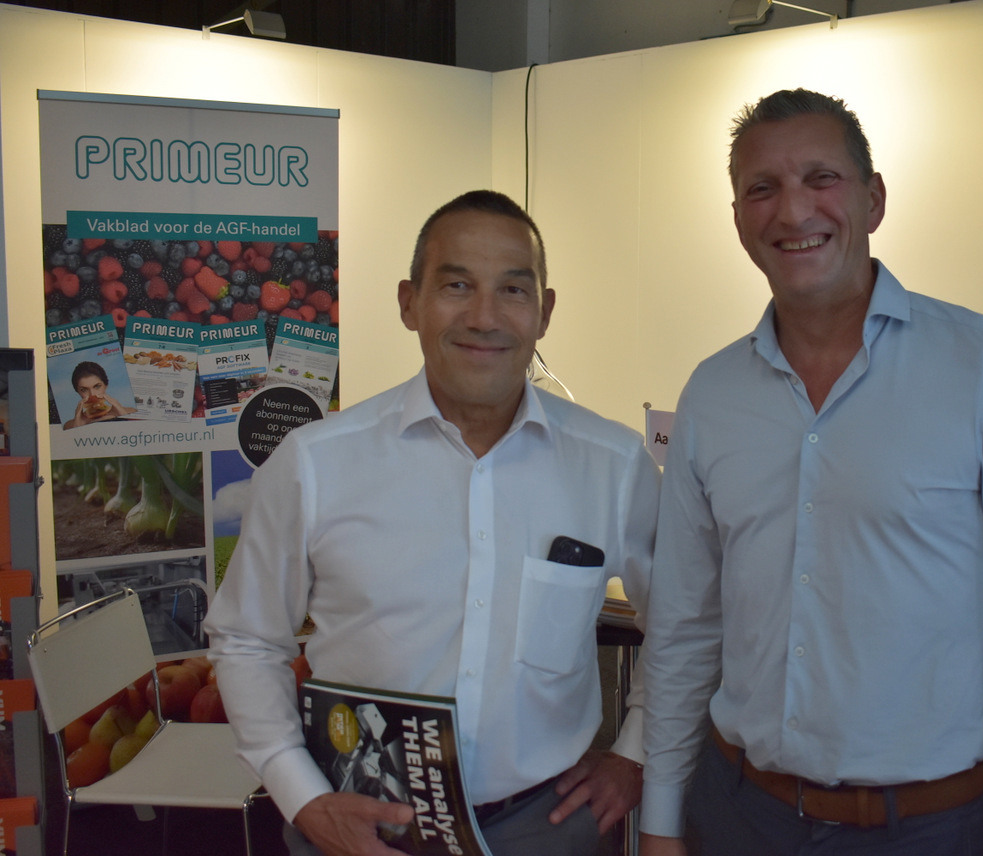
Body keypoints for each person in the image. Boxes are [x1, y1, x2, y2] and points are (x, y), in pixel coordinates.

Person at [638, 89, 983, 856]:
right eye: (762, 188)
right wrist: (660, 814)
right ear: (738, 220)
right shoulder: (713, 393)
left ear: (874, 199)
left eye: (820, 178)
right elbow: (685, 625)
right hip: (737, 813)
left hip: (922, 829)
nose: (793, 210)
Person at [206, 189, 659, 856]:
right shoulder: (314, 463)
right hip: (359, 824)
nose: (484, 316)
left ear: (544, 311)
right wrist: (302, 798)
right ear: (408, 302)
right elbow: (247, 639)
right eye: (456, 285)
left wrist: (635, 754)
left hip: (546, 823)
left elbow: (683, 625)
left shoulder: (613, 465)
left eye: (512, 289)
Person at [61, 360, 136, 429]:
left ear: (105, 386)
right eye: (84, 390)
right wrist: (78, 422)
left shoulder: (130, 412)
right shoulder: (70, 425)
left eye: (97, 386)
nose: (92, 394)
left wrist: (122, 415)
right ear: (77, 391)